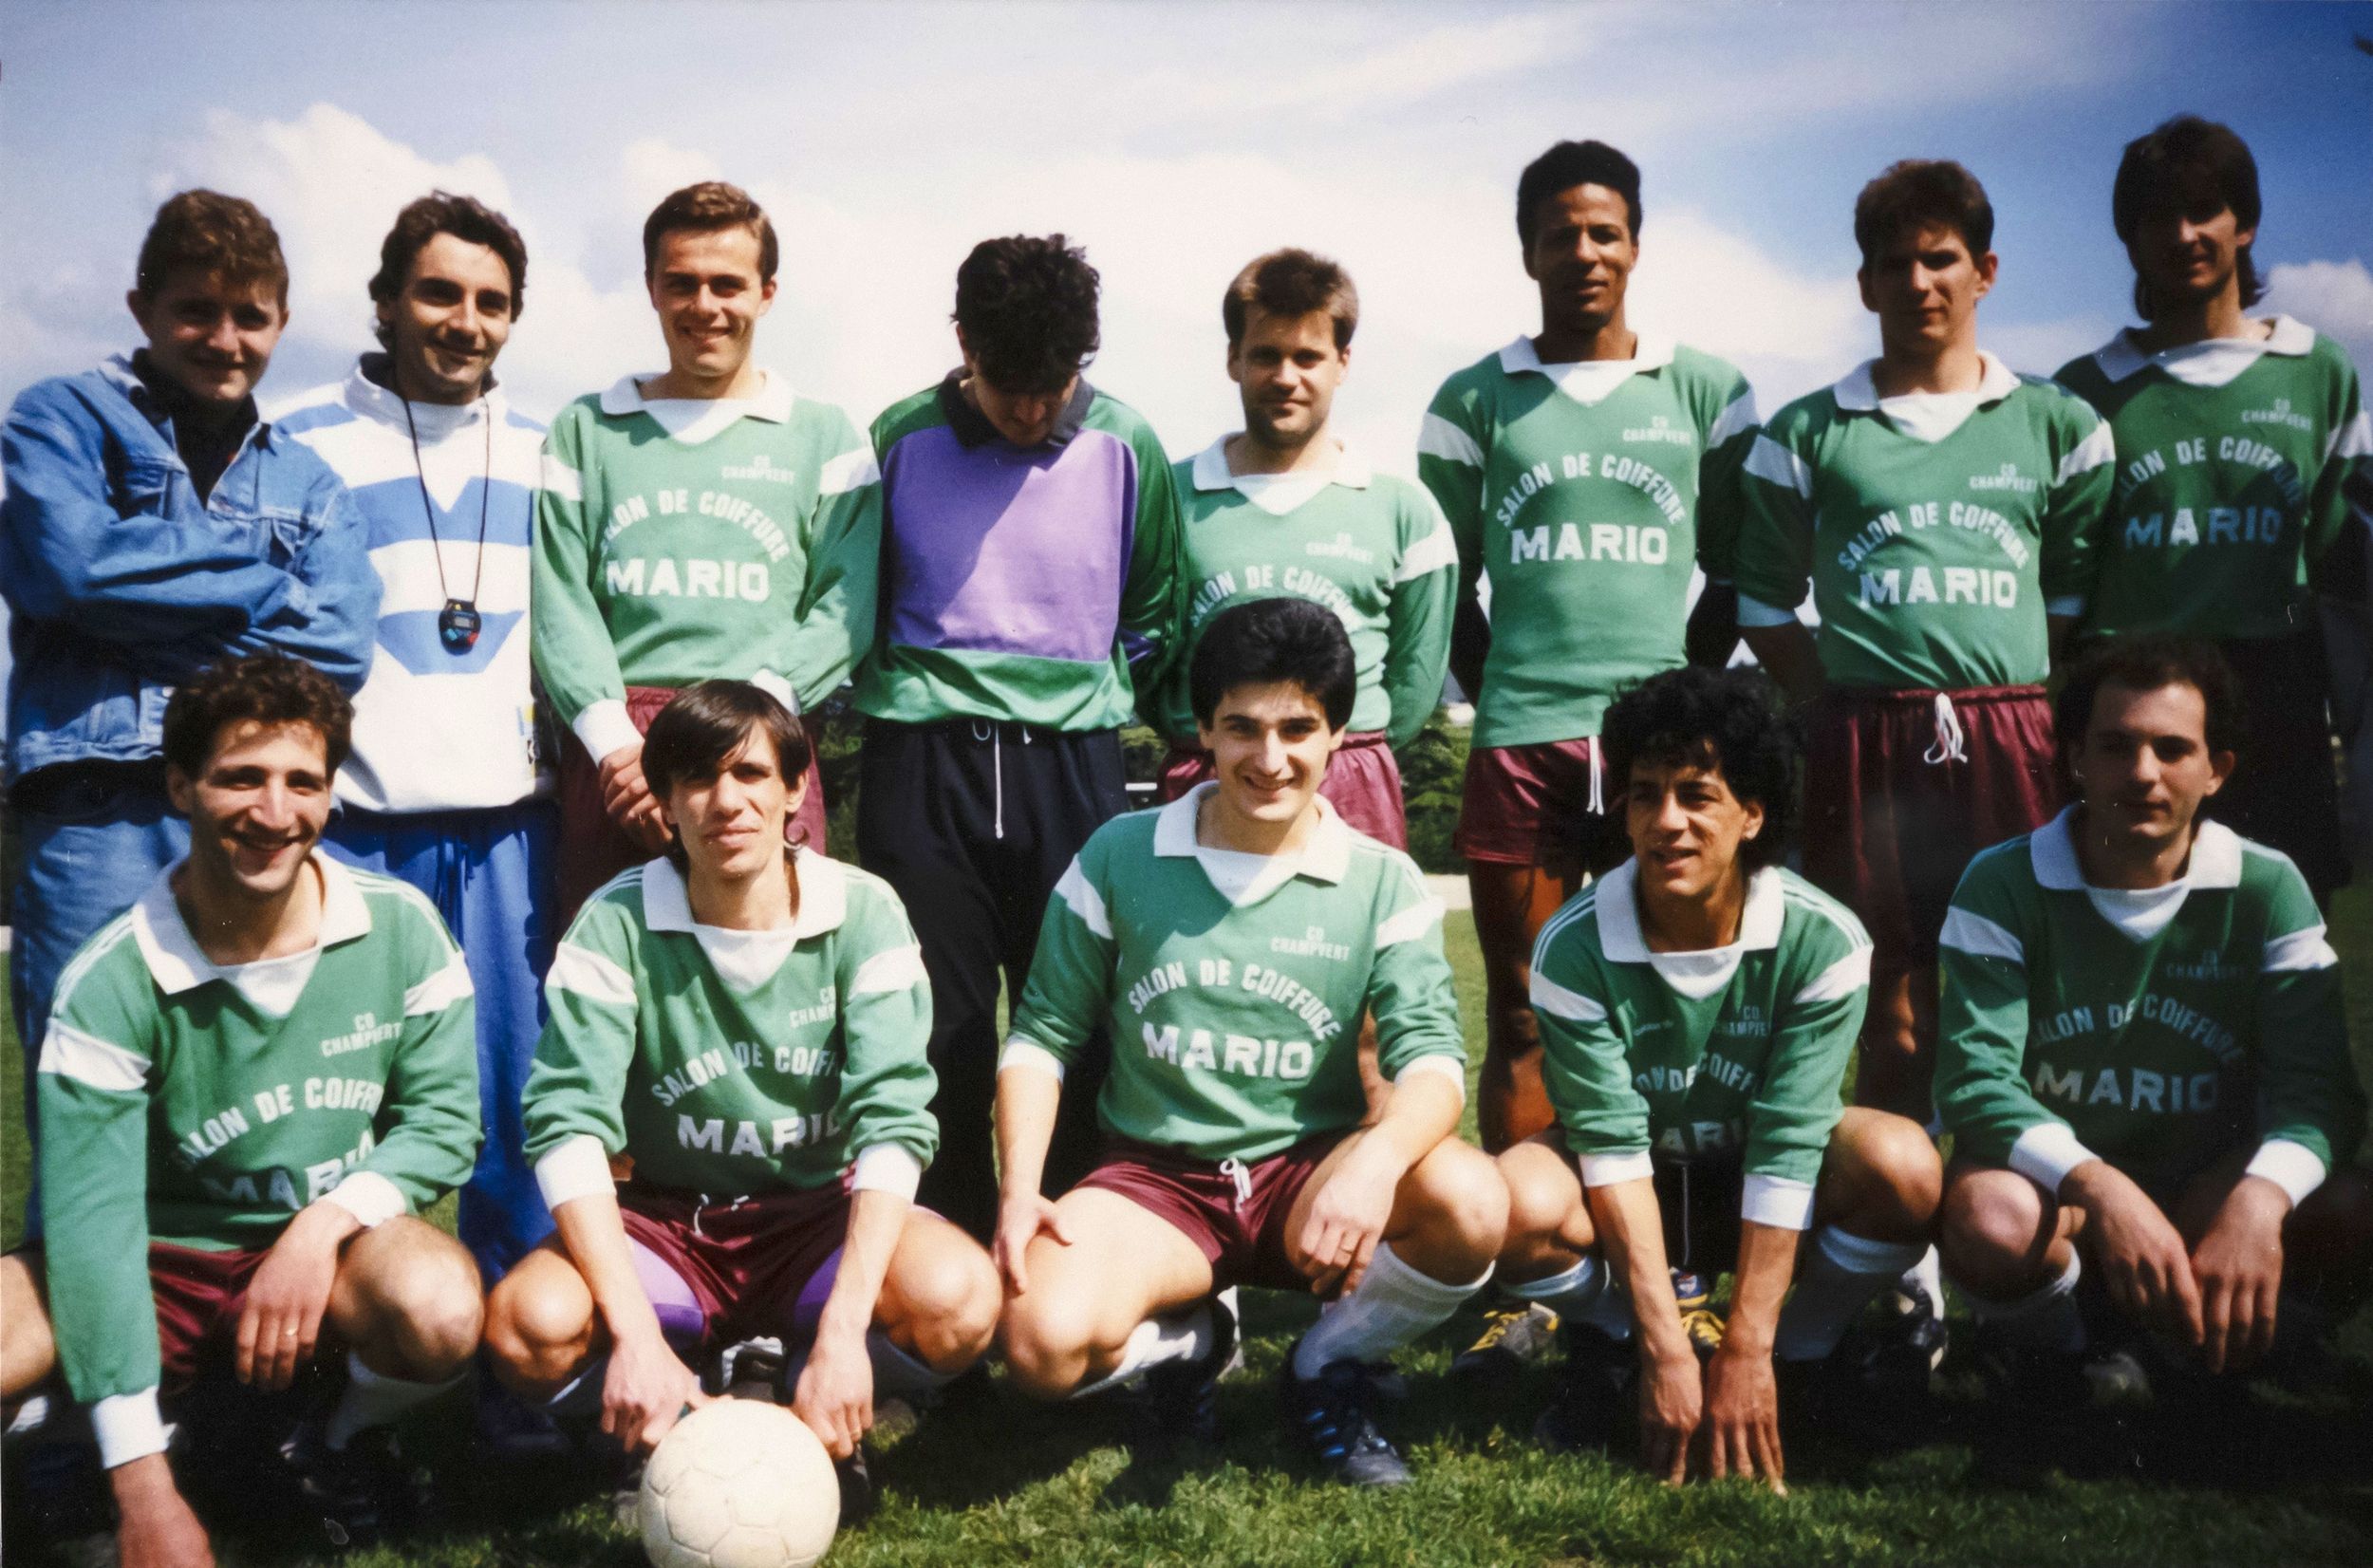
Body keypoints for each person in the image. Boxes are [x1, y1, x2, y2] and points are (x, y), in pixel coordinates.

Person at [994, 598, 1505, 1487]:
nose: (1270, 760)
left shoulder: (1382, 879)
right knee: (1037, 1346)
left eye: (1298, 729)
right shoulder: (1120, 853)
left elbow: (1432, 1063)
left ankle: (1326, 1366)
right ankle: (1192, 1340)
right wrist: (1019, 1190)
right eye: (1243, 729)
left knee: (1471, 1199)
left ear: (1339, 734)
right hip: (1159, 1181)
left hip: (1310, 1176)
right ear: (1204, 729)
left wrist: (1376, 1161)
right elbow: (1041, 1034)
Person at [0, 654, 484, 1559]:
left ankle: (328, 1441)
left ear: (332, 794)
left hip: (323, 1265)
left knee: (442, 1305)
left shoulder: (401, 927)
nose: (275, 811)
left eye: (303, 782)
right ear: (180, 785)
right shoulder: (110, 980)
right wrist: (146, 1498)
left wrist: (319, 1229)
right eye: (241, 778)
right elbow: (93, 1229)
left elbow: (444, 1123)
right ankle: (111, 1453)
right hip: (155, 1263)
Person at [1418, 138, 1760, 1370]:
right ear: (1528, 251)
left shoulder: (1707, 390)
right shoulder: (1474, 400)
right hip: (1524, 734)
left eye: (1605, 230)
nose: (1584, 252)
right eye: (1560, 232)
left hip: (1661, 744)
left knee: (1680, 1006)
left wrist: (1683, 697)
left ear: (1636, 244)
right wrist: (1499, 684)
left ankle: (1685, 1255)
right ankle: (1535, 1281)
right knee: (1524, 1010)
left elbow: (1736, 567)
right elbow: (1445, 578)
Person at [483, 681, 1000, 1491]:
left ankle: (798, 1382)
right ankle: (668, 1403)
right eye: (697, 778)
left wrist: (842, 1335)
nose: (727, 802)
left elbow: (895, 1123)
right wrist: (634, 1339)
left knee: (961, 1301)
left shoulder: (861, 911)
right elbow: (565, 1125)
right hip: (668, 1223)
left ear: (795, 788)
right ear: (665, 798)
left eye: (751, 774)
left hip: (817, 1219)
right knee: (527, 1328)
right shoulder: (615, 921)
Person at [1487, 665, 1939, 1487]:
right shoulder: (1574, 944)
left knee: (1903, 1165)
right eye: (1643, 794)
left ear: (1752, 814)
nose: (1668, 823)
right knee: (1509, 1198)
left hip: (1756, 1185)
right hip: (1635, 1185)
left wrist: (1750, 1346)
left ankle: (1802, 1355)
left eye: (1697, 795)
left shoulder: (1823, 940)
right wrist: (1668, 1347)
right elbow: (1610, 1142)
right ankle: (1618, 1345)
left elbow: (1790, 1139)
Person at [1734, 159, 2116, 1126]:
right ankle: (1905, 1251)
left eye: (1939, 259)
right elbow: (1763, 607)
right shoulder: (1806, 432)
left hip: (2008, 732)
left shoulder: (2060, 425)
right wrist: (1837, 702)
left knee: (2012, 987)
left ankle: (2013, 1220)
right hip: (1864, 739)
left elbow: (2070, 592)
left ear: (1983, 270)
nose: (1918, 282)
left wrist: (2010, 690)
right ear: (1863, 283)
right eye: (1893, 263)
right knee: (1886, 1004)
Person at [2, 190, 377, 1139]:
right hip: (96, 811)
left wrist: (135, 613)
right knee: (86, 1096)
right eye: (195, 310)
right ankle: (84, 1290)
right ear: (142, 311)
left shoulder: (309, 478)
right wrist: (261, 587)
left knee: (236, 1104)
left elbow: (339, 647)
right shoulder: (62, 418)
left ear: (282, 323)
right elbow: (70, 565)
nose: (224, 338)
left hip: (254, 819)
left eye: (250, 316)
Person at [1935, 636, 2370, 1409]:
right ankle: (2063, 1346)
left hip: (2202, 1196)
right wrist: (2103, 1189)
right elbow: (1974, 1084)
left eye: (2173, 750)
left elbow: (2321, 1097)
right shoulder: (2001, 880)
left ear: (2217, 771)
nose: (2143, 774)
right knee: (1986, 1216)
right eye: (2116, 746)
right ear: (2074, 760)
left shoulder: (2268, 886)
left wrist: (2258, 1202)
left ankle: (2209, 1342)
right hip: (2062, 1199)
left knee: (2346, 1206)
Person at [856, 233, 1186, 1240]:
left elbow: (1159, 605)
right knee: (937, 1031)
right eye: (1011, 385)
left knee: (1079, 1025)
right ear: (962, 342)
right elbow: (859, 597)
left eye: (1057, 383)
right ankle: (942, 1292)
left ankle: (1075, 1272)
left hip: (1073, 767)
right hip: (926, 760)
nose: (1035, 410)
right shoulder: (897, 437)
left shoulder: (1129, 442)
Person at [274, 192, 558, 1282]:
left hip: (509, 839)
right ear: (387, 300)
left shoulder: (549, 449)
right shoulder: (296, 439)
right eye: (438, 291)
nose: (464, 320)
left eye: (492, 302)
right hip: (354, 833)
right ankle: (311, 1372)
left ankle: (525, 1373)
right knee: (327, 1108)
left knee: (521, 1114)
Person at [534, 180, 883, 919]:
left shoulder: (825, 434)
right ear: (652, 289)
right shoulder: (584, 430)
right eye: (681, 283)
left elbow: (844, 607)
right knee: (610, 992)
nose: (705, 306)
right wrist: (615, 748)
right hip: (619, 752)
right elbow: (558, 598)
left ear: (767, 292)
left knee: (776, 980)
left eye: (728, 284)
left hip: (764, 734)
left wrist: (750, 728)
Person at [2057, 116, 2373, 907]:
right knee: (2131, 923)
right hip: (2130, 694)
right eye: (2157, 217)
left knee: (2288, 933)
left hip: (2277, 687)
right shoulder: (2083, 393)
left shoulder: (2317, 371)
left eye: (2205, 211)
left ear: (2246, 223)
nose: (2184, 233)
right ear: (2128, 239)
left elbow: (2344, 558)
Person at [1151, 248, 1455, 849]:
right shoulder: (1167, 499)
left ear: (1342, 363)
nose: (1286, 377)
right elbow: (1144, 656)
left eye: (1308, 356)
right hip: (1206, 764)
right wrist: (1196, 731)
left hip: (1351, 769)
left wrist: (1342, 739)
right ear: (1234, 358)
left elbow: (1417, 679)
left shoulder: (1402, 509)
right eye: (1265, 354)